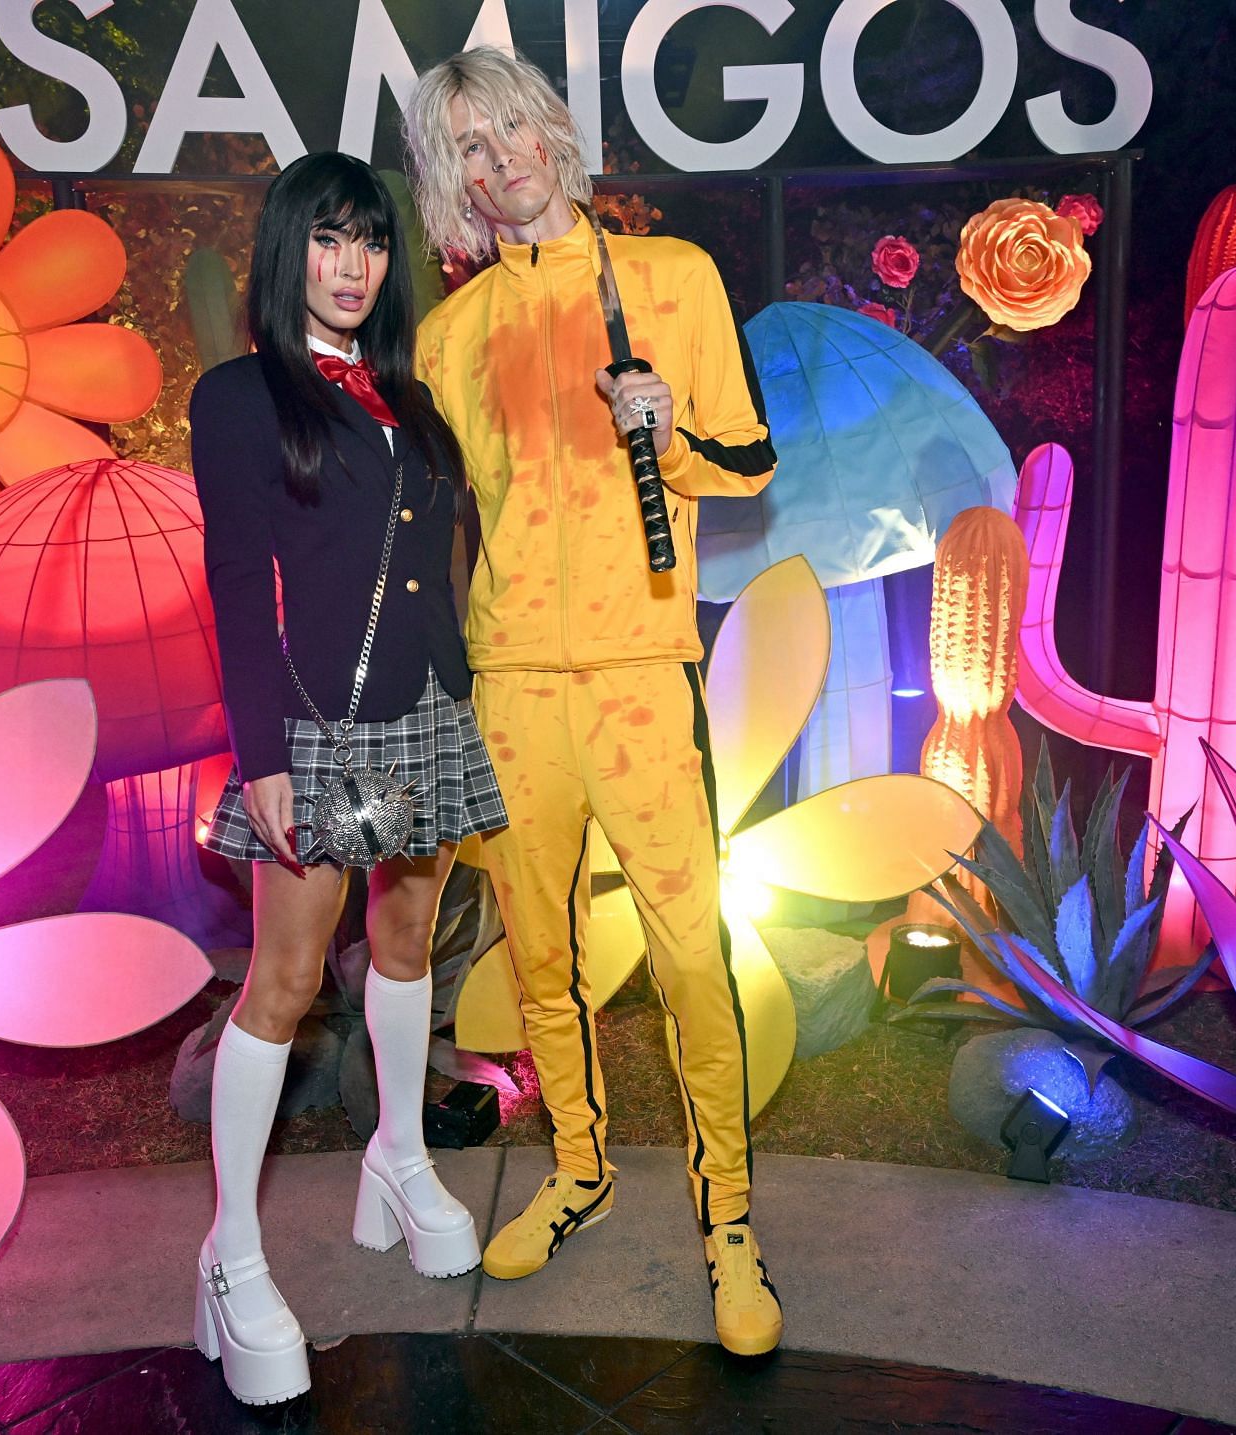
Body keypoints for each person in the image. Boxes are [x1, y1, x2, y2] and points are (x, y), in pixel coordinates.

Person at [404, 47, 783, 1355]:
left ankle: (728, 1217)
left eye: (504, 128)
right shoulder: (446, 336)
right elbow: (432, 522)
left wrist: (670, 430)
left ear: (550, 132)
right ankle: (580, 1165)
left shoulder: (673, 279)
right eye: (463, 146)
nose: (493, 159)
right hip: (511, 677)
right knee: (542, 950)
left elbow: (749, 462)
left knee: (688, 947)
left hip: (634, 670)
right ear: (447, 178)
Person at [190, 151, 507, 1406]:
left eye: (370, 243)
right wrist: (260, 752)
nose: (352, 264)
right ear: (288, 253)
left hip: (427, 709)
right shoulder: (241, 396)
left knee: (411, 934)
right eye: (328, 240)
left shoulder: (408, 399)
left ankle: (396, 1153)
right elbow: (232, 584)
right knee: (282, 977)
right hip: (324, 729)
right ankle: (233, 1250)